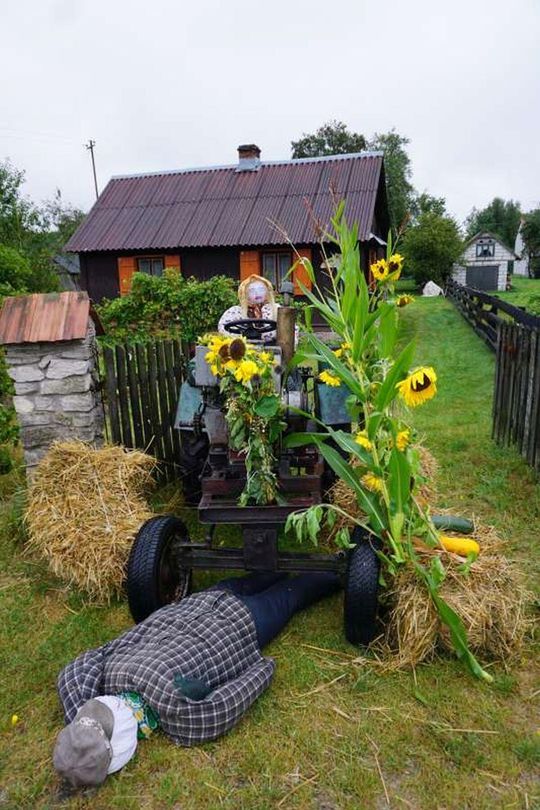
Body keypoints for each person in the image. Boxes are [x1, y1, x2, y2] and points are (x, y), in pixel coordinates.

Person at [53, 571, 341, 788]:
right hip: (209, 605)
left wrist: (262, 669)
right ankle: (325, 570)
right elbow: (73, 673)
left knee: (288, 595)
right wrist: (81, 717)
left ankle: (325, 572)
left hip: (238, 622)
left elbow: (226, 704)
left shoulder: (180, 717)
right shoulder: (108, 672)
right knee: (272, 581)